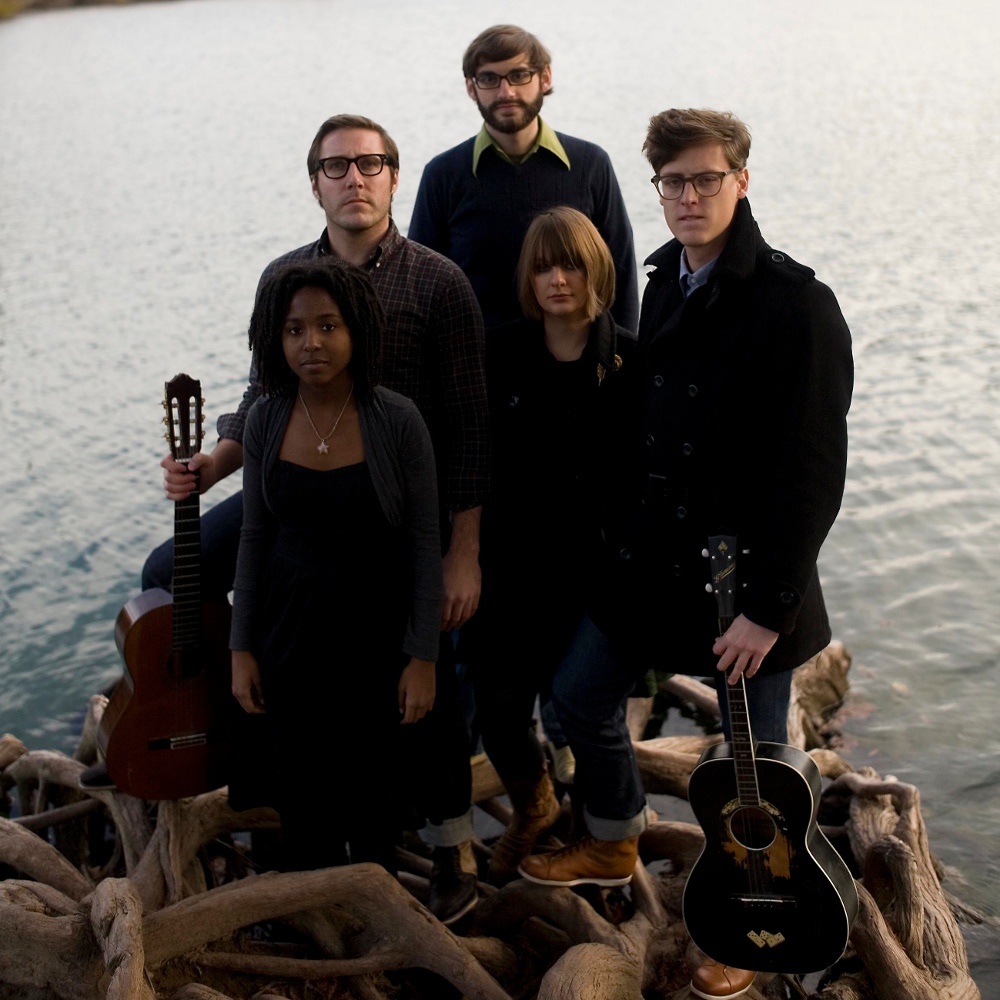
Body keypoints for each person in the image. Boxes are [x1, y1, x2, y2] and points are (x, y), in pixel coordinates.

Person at [144, 114, 488, 924]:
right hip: (298, 484)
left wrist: (463, 551)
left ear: (394, 178)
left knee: (431, 665)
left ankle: (449, 840)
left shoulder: (439, 282)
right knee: (168, 573)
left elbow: (471, 424)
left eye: (370, 163)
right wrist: (212, 467)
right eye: (337, 167)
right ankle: (211, 742)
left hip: (397, 504)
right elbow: (261, 391)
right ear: (315, 184)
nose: (354, 178)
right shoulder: (286, 275)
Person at [551, 109, 854, 1000]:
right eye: (672, 182)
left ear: (741, 181)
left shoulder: (798, 305)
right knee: (577, 697)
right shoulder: (663, 282)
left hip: (744, 583)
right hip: (654, 566)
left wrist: (768, 608)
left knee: (757, 769)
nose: (688, 196)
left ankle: (751, 924)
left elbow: (814, 475)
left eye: (705, 178)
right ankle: (614, 835)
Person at [230, 258, 441, 873]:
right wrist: (241, 649)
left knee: (375, 803)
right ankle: (313, 914)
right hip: (288, 633)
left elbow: (424, 543)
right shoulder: (266, 418)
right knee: (301, 801)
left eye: (328, 326)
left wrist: (422, 657)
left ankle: (377, 910)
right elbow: (253, 536)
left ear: (357, 329)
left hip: (376, 633)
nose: (311, 343)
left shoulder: (397, 420)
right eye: (294, 330)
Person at [466, 206, 636, 884]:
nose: (557, 279)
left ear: (596, 270)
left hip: (596, 573)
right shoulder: (499, 352)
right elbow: (473, 460)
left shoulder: (630, 360)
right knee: (498, 709)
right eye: (542, 268)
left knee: (582, 708)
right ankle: (536, 805)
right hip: (511, 567)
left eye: (570, 265)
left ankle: (599, 842)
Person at [408, 24, 639, 331]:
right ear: (471, 87)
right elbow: (420, 285)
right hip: (477, 357)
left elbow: (620, 272)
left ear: (545, 77)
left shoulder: (590, 164)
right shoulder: (442, 175)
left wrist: (623, 353)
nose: (506, 92)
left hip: (577, 356)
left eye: (519, 75)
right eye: (489, 79)